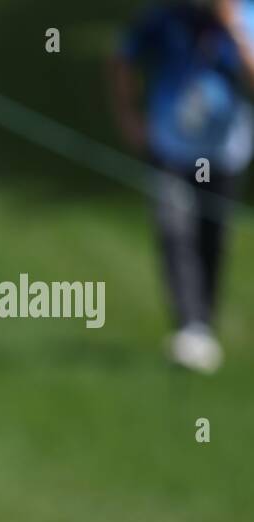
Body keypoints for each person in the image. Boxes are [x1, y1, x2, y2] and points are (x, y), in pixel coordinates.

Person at [111, 0, 254, 373]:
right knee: (174, 231)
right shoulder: (165, 17)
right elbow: (122, 57)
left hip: (223, 154)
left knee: (213, 237)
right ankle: (189, 326)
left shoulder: (246, 16)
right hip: (171, 150)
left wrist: (233, 28)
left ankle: (203, 323)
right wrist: (130, 118)